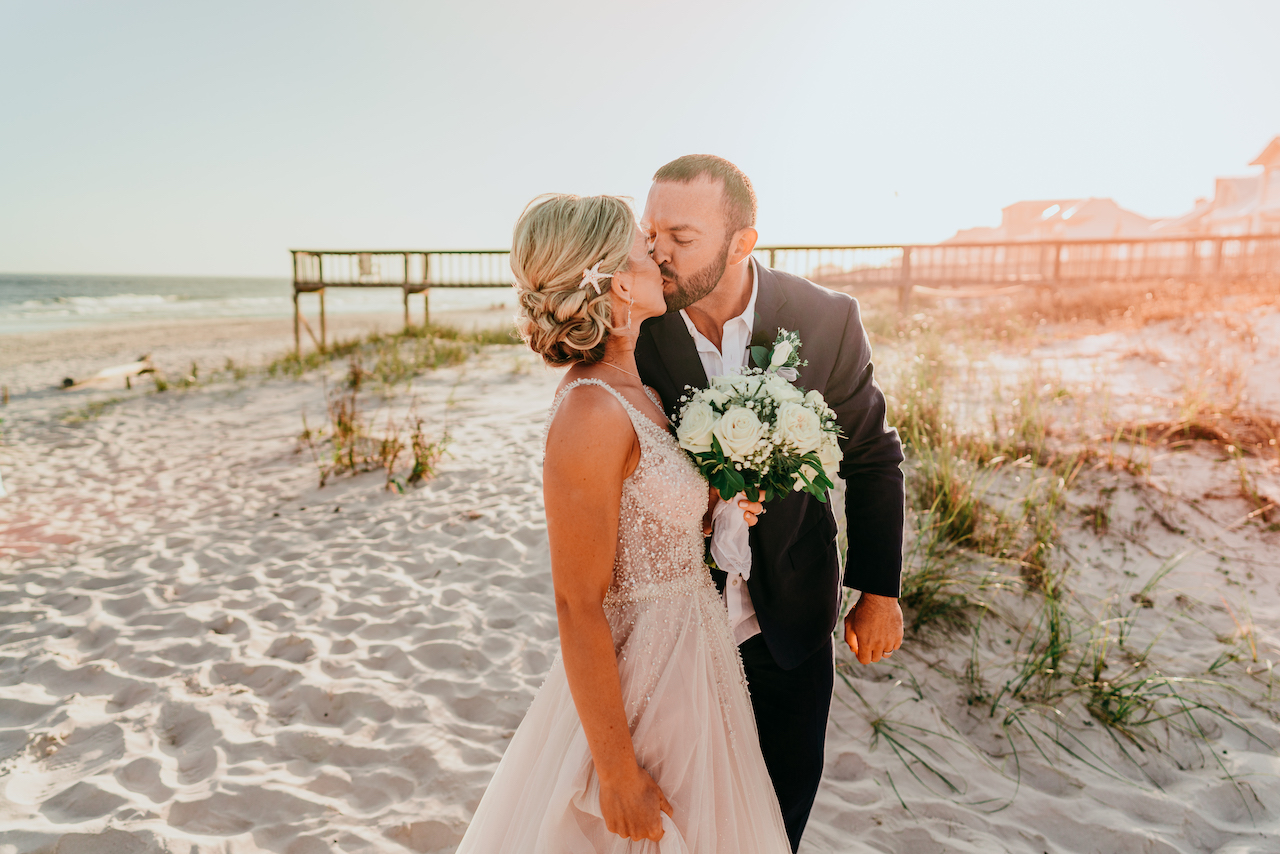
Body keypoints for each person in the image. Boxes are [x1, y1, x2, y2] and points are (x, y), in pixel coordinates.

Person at [455, 194, 791, 853]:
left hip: (696, 663)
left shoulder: (645, 391)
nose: (660, 255)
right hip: (643, 676)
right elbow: (576, 602)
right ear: (613, 282)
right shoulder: (590, 412)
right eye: (645, 249)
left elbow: (645, 525)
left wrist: (715, 510)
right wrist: (614, 771)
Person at [635, 155, 906, 852]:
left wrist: (878, 590)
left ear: (742, 242)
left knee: (774, 829)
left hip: (789, 624)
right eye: (651, 232)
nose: (658, 251)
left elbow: (872, 455)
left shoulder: (826, 320)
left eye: (682, 237)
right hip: (675, 622)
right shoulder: (636, 327)